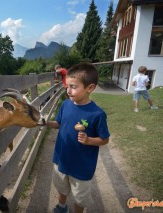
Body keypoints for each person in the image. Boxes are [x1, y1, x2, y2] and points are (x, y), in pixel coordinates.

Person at [46, 63, 110, 213]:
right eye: (67, 86)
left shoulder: (97, 114)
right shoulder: (66, 105)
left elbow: (105, 139)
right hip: (61, 159)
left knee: (80, 197)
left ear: (90, 88)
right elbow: (58, 124)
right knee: (61, 188)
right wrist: (45, 123)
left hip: (82, 167)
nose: (68, 91)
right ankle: (62, 207)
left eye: (73, 87)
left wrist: (89, 141)